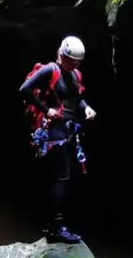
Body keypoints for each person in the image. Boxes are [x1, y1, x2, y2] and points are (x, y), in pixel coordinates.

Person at [19, 35, 96, 244]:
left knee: (63, 179)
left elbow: (76, 98)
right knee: (60, 179)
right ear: (62, 55)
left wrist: (86, 108)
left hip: (68, 130)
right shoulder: (50, 71)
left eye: (77, 61)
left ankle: (52, 223)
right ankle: (55, 228)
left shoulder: (76, 75)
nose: (74, 64)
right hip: (52, 131)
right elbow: (24, 90)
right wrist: (46, 110)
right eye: (71, 60)